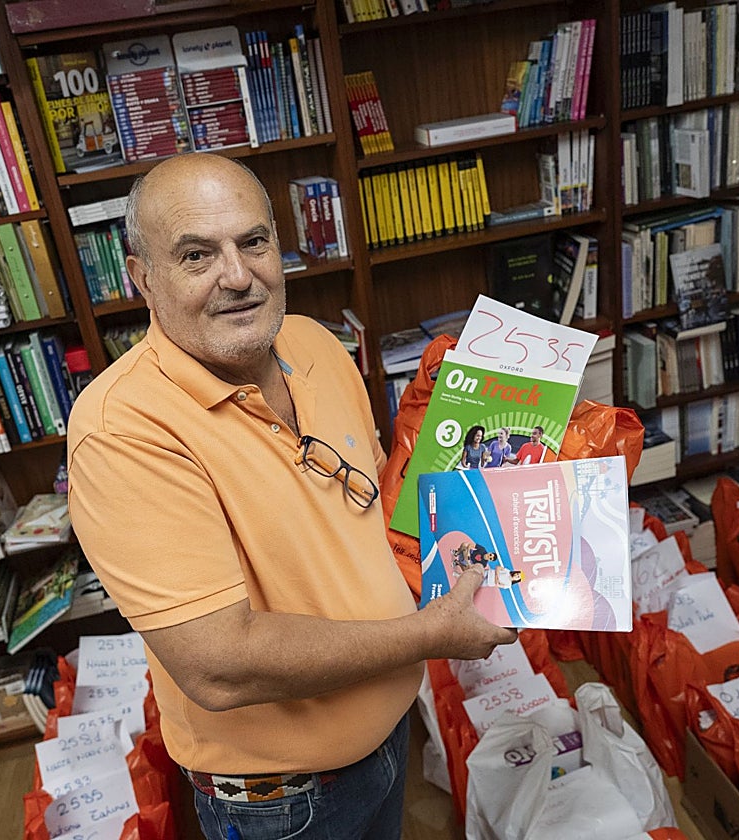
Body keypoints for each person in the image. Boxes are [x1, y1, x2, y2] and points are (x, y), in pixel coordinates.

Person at [66, 153, 516, 840]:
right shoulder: (122, 430)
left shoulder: (314, 343)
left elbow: (375, 517)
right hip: (282, 803)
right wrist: (433, 634)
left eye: (253, 241)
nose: (239, 276)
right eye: (196, 255)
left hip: (390, 736)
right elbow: (220, 665)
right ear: (143, 280)